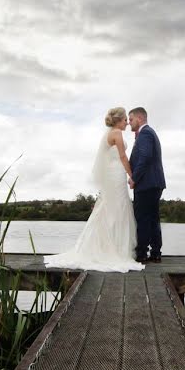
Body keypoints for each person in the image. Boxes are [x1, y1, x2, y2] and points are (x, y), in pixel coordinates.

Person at [44, 107, 144, 272]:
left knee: (111, 208)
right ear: (119, 120)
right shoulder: (117, 134)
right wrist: (132, 175)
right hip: (116, 173)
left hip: (113, 173)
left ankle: (110, 246)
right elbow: (123, 157)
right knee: (117, 208)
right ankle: (115, 249)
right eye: (125, 119)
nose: (127, 122)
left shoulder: (109, 134)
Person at [127, 107, 166, 263]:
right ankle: (155, 252)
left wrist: (134, 178)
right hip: (154, 183)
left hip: (146, 183)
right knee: (152, 218)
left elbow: (145, 157)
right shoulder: (148, 133)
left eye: (131, 119)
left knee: (143, 218)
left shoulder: (145, 134)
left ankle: (142, 253)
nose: (129, 122)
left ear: (140, 118)